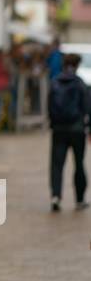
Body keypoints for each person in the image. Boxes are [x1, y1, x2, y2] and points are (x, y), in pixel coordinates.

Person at [47, 54, 90, 213]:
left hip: (59, 130)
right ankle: (79, 199)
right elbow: (87, 107)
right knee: (79, 164)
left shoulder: (55, 82)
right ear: (77, 65)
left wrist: (53, 124)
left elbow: (50, 106)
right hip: (77, 130)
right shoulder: (80, 83)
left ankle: (56, 196)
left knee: (57, 165)